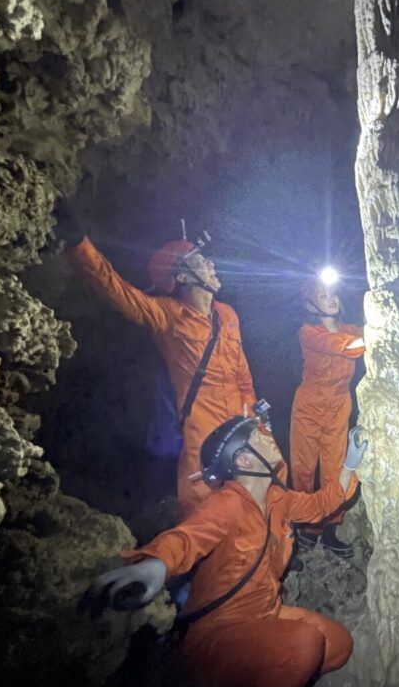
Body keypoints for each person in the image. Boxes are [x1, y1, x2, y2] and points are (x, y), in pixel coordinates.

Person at [83, 408, 368, 687]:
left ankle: (256, 685)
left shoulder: (275, 500)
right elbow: (188, 538)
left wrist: (351, 464)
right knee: (304, 648)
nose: (272, 440)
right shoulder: (227, 506)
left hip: (264, 616)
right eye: (262, 437)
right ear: (244, 460)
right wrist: (155, 565)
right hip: (214, 640)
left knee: (337, 646)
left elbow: (323, 504)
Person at [59, 207, 257, 516]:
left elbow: (242, 374)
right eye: (199, 261)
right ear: (181, 275)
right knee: (202, 510)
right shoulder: (168, 315)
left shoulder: (227, 315)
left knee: (255, 502)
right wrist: (79, 244)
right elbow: (117, 290)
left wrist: (256, 421)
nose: (210, 264)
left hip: (240, 422)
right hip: (201, 429)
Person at [289, 276, 364, 558]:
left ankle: (331, 527)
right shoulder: (308, 332)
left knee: (334, 468)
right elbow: (346, 346)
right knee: (304, 468)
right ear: (310, 304)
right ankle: (308, 526)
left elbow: (363, 335)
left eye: (333, 294)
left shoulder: (349, 328)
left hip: (338, 404)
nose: (331, 298)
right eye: (323, 296)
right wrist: (370, 336)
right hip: (309, 405)